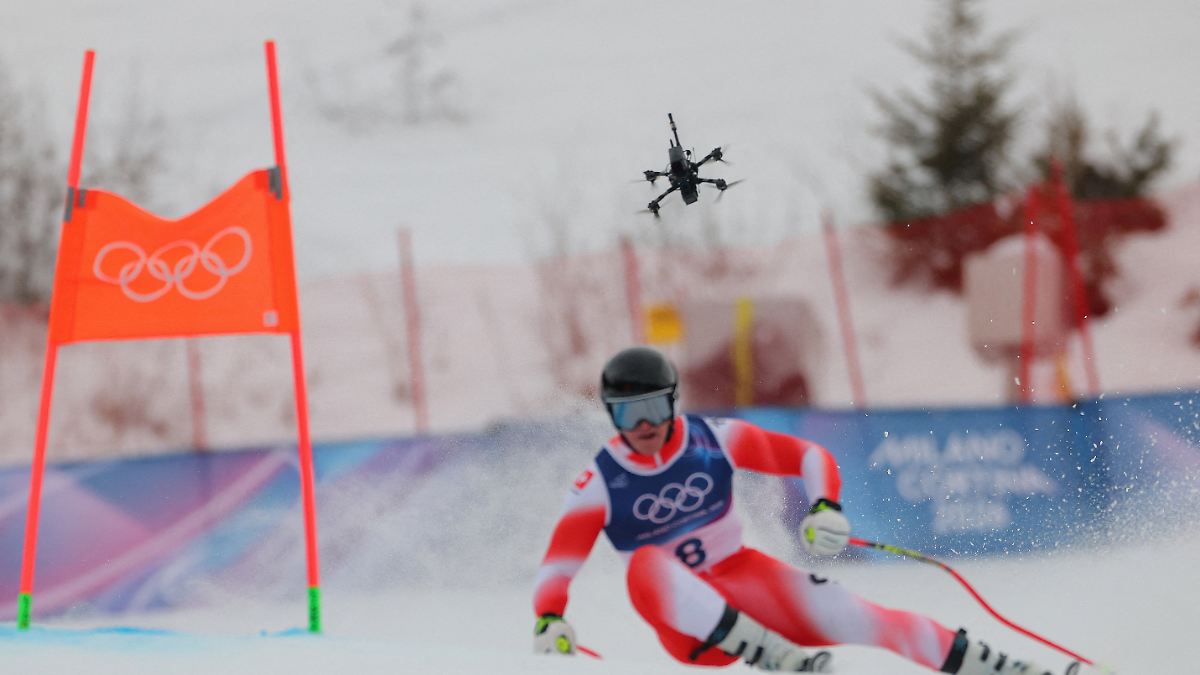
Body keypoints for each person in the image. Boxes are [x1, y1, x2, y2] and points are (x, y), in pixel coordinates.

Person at [531, 346, 1095, 674]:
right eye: (627, 414)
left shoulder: (714, 438)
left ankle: (1008, 669)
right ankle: (777, 657)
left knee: (866, 616)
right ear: (611, 416)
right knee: (645, 564)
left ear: (673, 403)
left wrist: (825, 507)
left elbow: (807, 455)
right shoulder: (598, 482)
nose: (643, 426)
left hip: (744, 581)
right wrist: (549, 617)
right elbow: (558, 563)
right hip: (688, 628)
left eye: (653, 408)